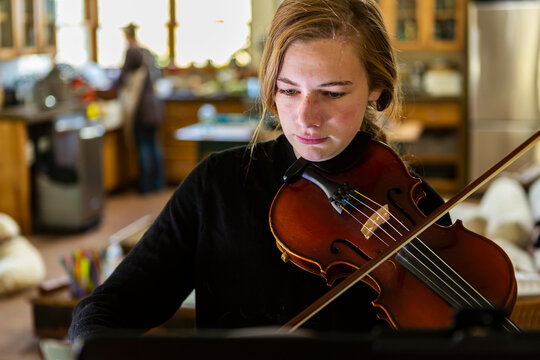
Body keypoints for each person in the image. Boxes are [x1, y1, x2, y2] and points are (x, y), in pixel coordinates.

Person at [69, 0, 451, 341]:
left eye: (332, 93)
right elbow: (106, 308)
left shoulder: (417, 212)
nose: (305, 119)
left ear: (376, 90)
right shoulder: (218, 185)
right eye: (288, 91)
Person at [115, 23, 165, 194]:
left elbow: (121, 78)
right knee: (153, 144)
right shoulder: (146, 52)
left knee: (143, 145)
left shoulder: (132, 52)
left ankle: (146, 185)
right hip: (154, 106)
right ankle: (158, 182)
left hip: (142, 108)